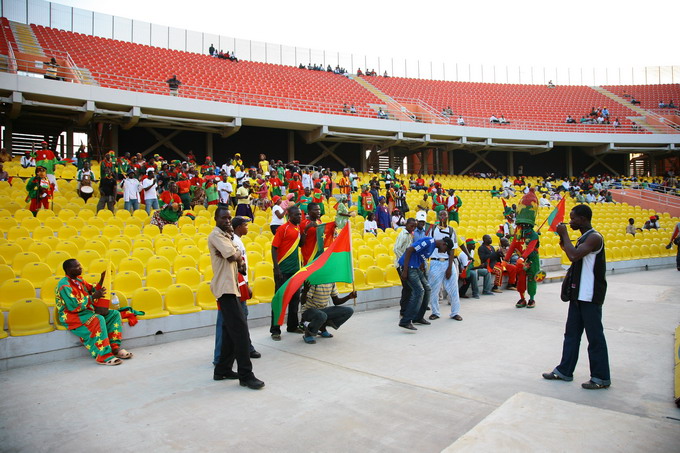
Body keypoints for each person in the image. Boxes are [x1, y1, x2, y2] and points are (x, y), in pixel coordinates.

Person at [543, 204, 610, 390]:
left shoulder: (595, 238)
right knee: (571, 335)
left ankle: (601, 377)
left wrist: (564, 234)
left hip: (590, 296)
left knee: (594, 337)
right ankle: (564, 370)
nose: (570, 221)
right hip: (578, 294)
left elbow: (573, 256)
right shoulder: (584, 238)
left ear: (583, 219)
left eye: (573, 218)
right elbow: (571, 252)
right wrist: (563, 240)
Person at [209, 207, 264, 389]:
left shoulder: (227, 237)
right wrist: (236, 255)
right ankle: (246, 375)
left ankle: (222, 369)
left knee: (228, 330)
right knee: (240, 330)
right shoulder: (216, 235)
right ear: (216, 218)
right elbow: (234, 256)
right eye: (223, 218)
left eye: (229, 218)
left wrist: (236, 255)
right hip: (225, 289)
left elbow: (239, 262)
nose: (226, 220)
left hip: (232, 287)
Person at [55, 259, 131, 366]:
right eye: (77, 267)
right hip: (73, 316)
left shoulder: (79, 280)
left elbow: (92, 290)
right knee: (98, 318)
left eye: (80, 265)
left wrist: (102, 280)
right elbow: (73, 305)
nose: (80, 268)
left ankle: (114, 348)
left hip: (86, 312)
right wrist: (93, 297)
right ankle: (104, 356)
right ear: (68, 270)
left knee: (114, 314)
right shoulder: (64, 285)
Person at [214, 216, 261, 362]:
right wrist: (245, 283)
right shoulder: (232, 241)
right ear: (239, 226)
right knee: (230, 320)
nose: (247, 228)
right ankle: (222, 356)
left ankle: (245, 347)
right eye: (245, 225)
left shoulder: (236, 240)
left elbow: (241, 263)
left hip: (239, 282)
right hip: (233, 284)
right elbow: (233, 260)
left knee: (240, 318)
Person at [398, 235, 454, 330]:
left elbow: (419, 255)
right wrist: (405, 270)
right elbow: (409, 250)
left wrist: (421, 265)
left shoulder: (433, 247)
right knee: (419, 291)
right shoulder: (428, 242)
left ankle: (418, 317)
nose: (444, 252)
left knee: (427, 289)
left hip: (416, 267)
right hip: (409, 268)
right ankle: (405, 321)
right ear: (444, 244)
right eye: (446, 249)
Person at [270, 206, 304, 340]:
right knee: (279, 300)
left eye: (300, 215)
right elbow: (274, 248)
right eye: (296, 215)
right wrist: (276, 268)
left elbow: (300, 245)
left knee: (295, 299)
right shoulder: (283, 229)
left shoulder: (298, 228)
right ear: (289, 216)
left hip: (295, 270)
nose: (299, 217)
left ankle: (292, 326)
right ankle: (275, 330)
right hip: (282, 271)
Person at [427, 210, 462, 321]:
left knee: (453, 289)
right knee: (434, 289)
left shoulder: (451, 230)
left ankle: (455, 312)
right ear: (438, 216)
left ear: (447, 217)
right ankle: (435, 312)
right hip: (435, 262)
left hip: (448, 262)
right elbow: (429, 244)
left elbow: (452, 250)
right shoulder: (432, 229)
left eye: (445, 215)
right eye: (441, 214)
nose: (442, 216)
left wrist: (449, 267)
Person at [394, 218, 416, 317]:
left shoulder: (410, 235)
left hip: (406, 264)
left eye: (414, 226)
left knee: (408, 288)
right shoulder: (403, 235)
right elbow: (396, 249)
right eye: (411, 225)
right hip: (401, 264)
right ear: (406, 224)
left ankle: (405, 309)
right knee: (407, 287)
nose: (413, 228)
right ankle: (403, 311)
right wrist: (404, 261)